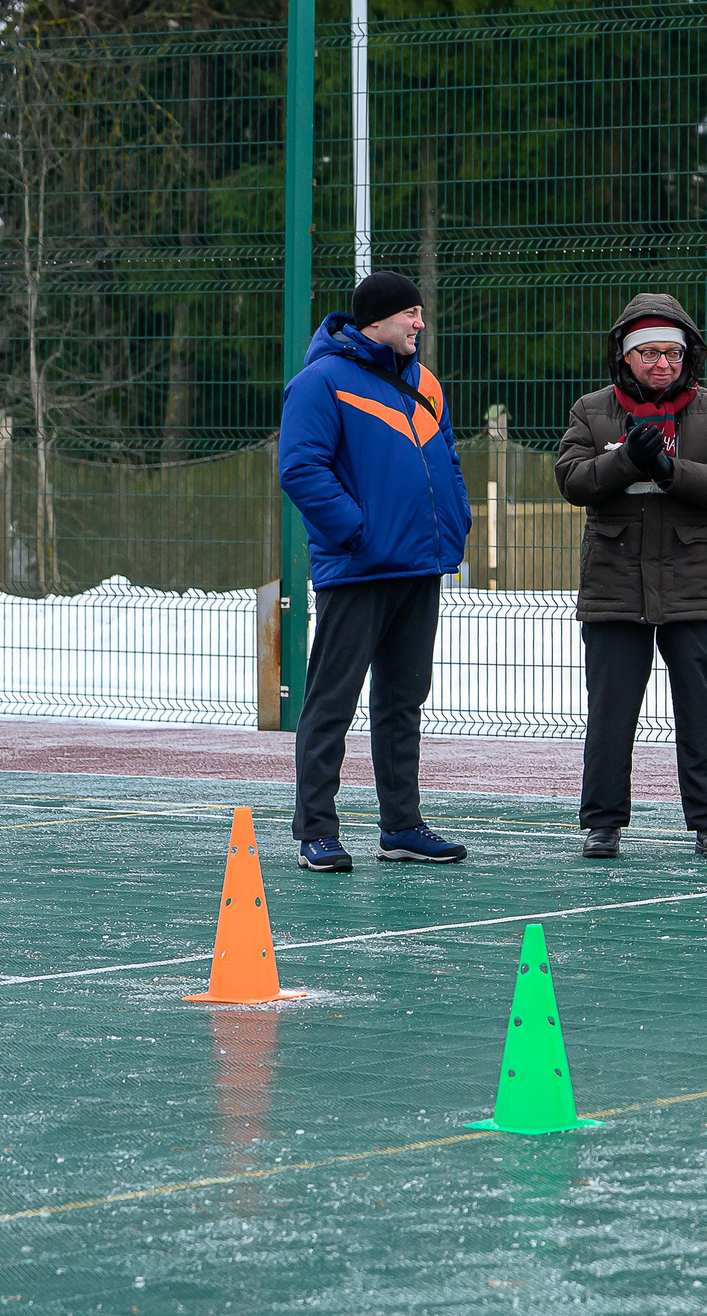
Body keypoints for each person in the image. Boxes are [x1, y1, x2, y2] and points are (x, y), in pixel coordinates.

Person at [278, 270, 474, 873]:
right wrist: (357, 533)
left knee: (402, 703)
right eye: (411, 313)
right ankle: (316, 831)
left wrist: (457, 520)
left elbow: (449, 460)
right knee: (331, 702)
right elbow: (301, 469)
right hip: (358, 570)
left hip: (420, 565)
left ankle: (402, 828)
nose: (420, 323)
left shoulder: (426, 384)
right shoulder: (320, 382)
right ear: (378, 320)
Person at [554, 294, 707, 860]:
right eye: (649, 353)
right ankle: (602, 823)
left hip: (693, 583)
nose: (662, 363)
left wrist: (670, 470)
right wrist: (625, 461)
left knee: (702, 711)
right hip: (613, 584)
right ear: (625, 356)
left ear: (688, 356)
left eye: (673, 352)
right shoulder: (591, 411)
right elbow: (571, 480)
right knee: (611, 713)